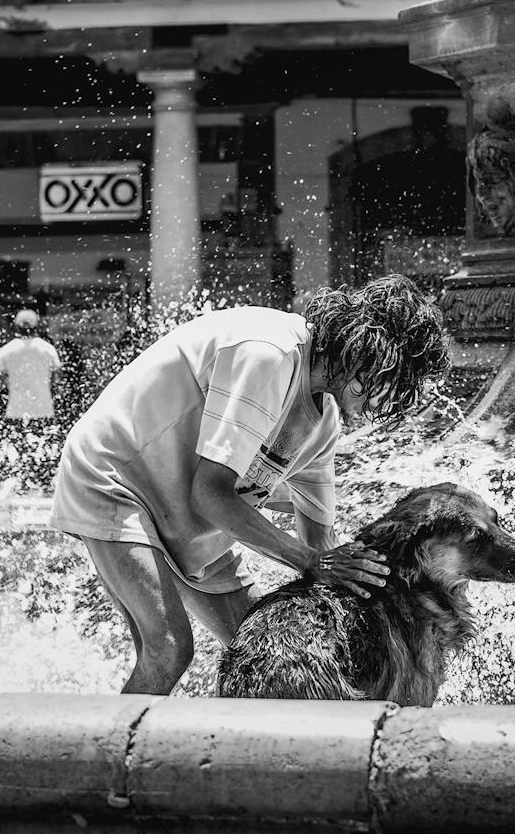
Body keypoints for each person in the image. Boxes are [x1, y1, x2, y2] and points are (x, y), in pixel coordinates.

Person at [49, 274, 451, 694]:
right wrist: (310, 561)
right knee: (169, 649)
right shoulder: (270, 352)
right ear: (369, 355)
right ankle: (113, 756)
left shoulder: (324, 424)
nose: (383, 406)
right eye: (393, 385)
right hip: (116, 481)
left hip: (185, 518)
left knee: (267, 652)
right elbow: (211, 493)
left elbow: (321, 545)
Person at [0, 308, 63, 485]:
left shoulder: (7, 350)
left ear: (15, 327)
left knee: (18, 449)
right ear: (37, 326)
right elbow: (57, 378)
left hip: (16, 409)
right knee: (44, 447)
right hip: (43, 408)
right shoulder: (47, 349)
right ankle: (43, 481)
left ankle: (20, 481)